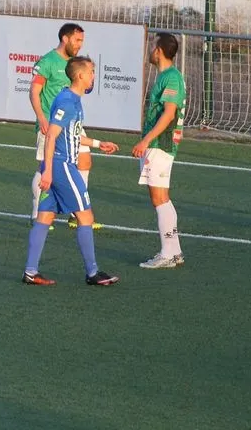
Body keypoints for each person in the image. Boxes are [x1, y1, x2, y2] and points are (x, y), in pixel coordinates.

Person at [22, 56, 120, 286]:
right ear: (80, 76)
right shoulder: (67, 101)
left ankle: (30, 271)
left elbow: (72, 135)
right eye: (91, 72)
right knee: (85, 216)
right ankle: (93, 273)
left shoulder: (73, 100)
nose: (94, 76)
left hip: (59, 165)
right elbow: (51, 136)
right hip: (62, 166)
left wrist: (98, 143)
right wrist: (47, 171)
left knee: (45, 217)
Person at [29, 23, 101, 230]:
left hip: (71, 123)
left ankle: (75, 211)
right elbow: (34, 91)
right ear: (65, 38)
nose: (80, 45)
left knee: (85, 160)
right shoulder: (48, 61)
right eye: (77, 40)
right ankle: (37, 214)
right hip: (52, 124)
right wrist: (41, 118)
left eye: (82, 41)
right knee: (45, 167)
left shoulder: (76, 64)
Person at [132, 33, 187, 269]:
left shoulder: (171, 78)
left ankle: (167, 253)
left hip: (160, 145)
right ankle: (174, 251)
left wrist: (146, 141)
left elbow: (169, 113)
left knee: (159, 199)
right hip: (161, 145)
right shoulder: (166, 76)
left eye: (152, 46)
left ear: (160, 51)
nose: (150, 50)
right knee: (163, 199)